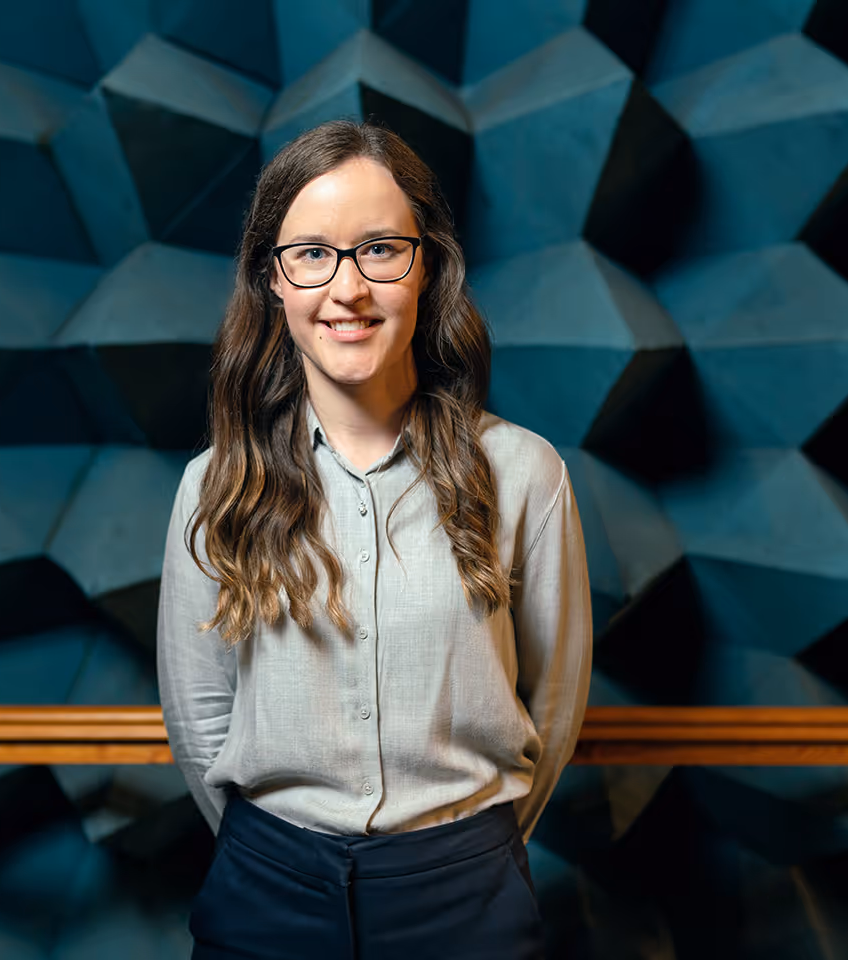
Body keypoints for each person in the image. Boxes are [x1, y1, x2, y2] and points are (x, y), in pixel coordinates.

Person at [156, 118, 593, 960]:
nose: (347, 288)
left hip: (466, 890)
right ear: (273, 280)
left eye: (381, 250)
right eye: (312, 254)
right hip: (265, 887)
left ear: (427, 267)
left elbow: (556, 701)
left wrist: (464, 859)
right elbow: (200, 714)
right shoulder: (212, 486)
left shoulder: (525, 473)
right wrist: (275, 855)